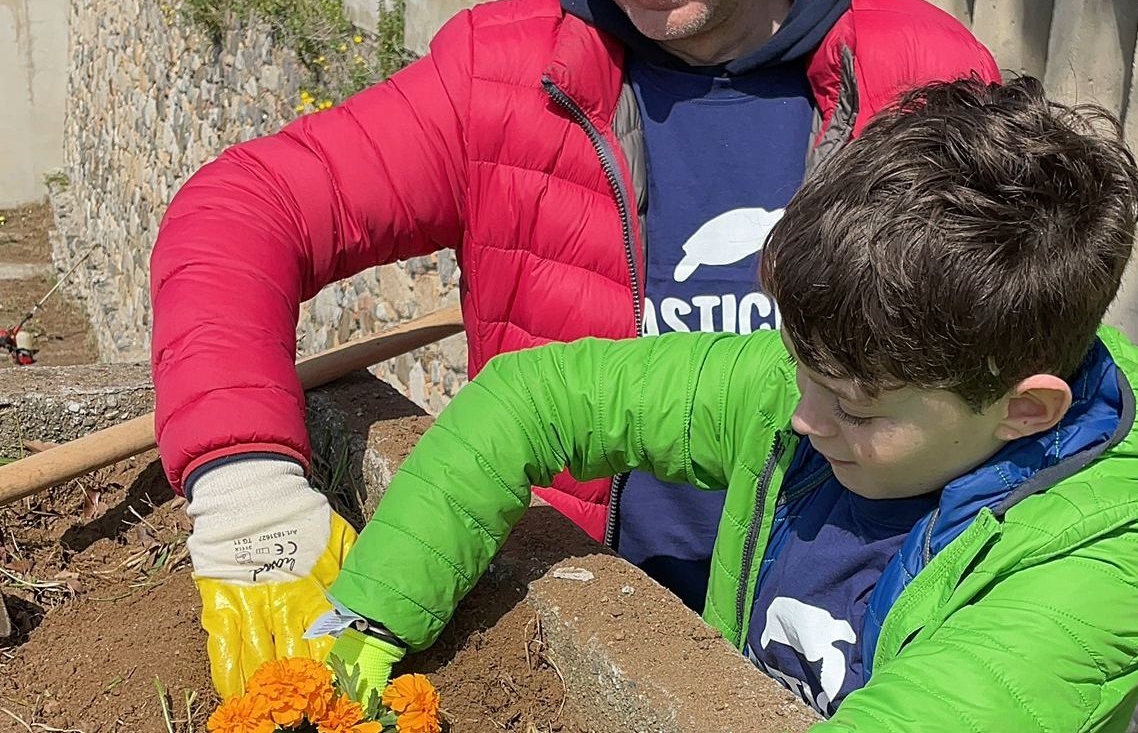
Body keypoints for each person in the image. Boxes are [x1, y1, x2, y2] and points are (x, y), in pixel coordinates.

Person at [150, 0, 998, 697]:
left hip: (847, 667)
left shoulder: (926, 79)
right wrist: (244, 481)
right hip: (560, 649)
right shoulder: (499, 78)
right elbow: (240, 209)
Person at [323, 76, 1138, 730]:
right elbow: (534, 397)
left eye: (856, 408)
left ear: (1025, 411)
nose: (803, 417)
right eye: (798, 364)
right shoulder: (828, 375)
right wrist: (371, 616)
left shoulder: (1093, 574)